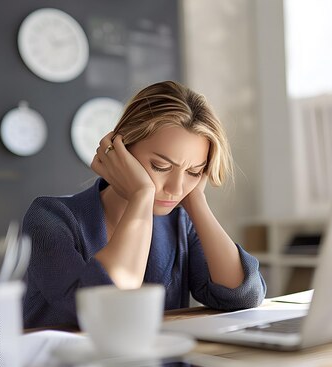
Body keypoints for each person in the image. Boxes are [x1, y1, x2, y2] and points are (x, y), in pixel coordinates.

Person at [22, 80, 266, 329]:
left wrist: (198, 203)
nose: (175, 189)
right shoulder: (49, 218)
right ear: (122, 151)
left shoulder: (180, 224)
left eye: (194, 172)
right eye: (160, 166)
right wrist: (141, 194)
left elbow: (243, 296)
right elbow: (109, 313)